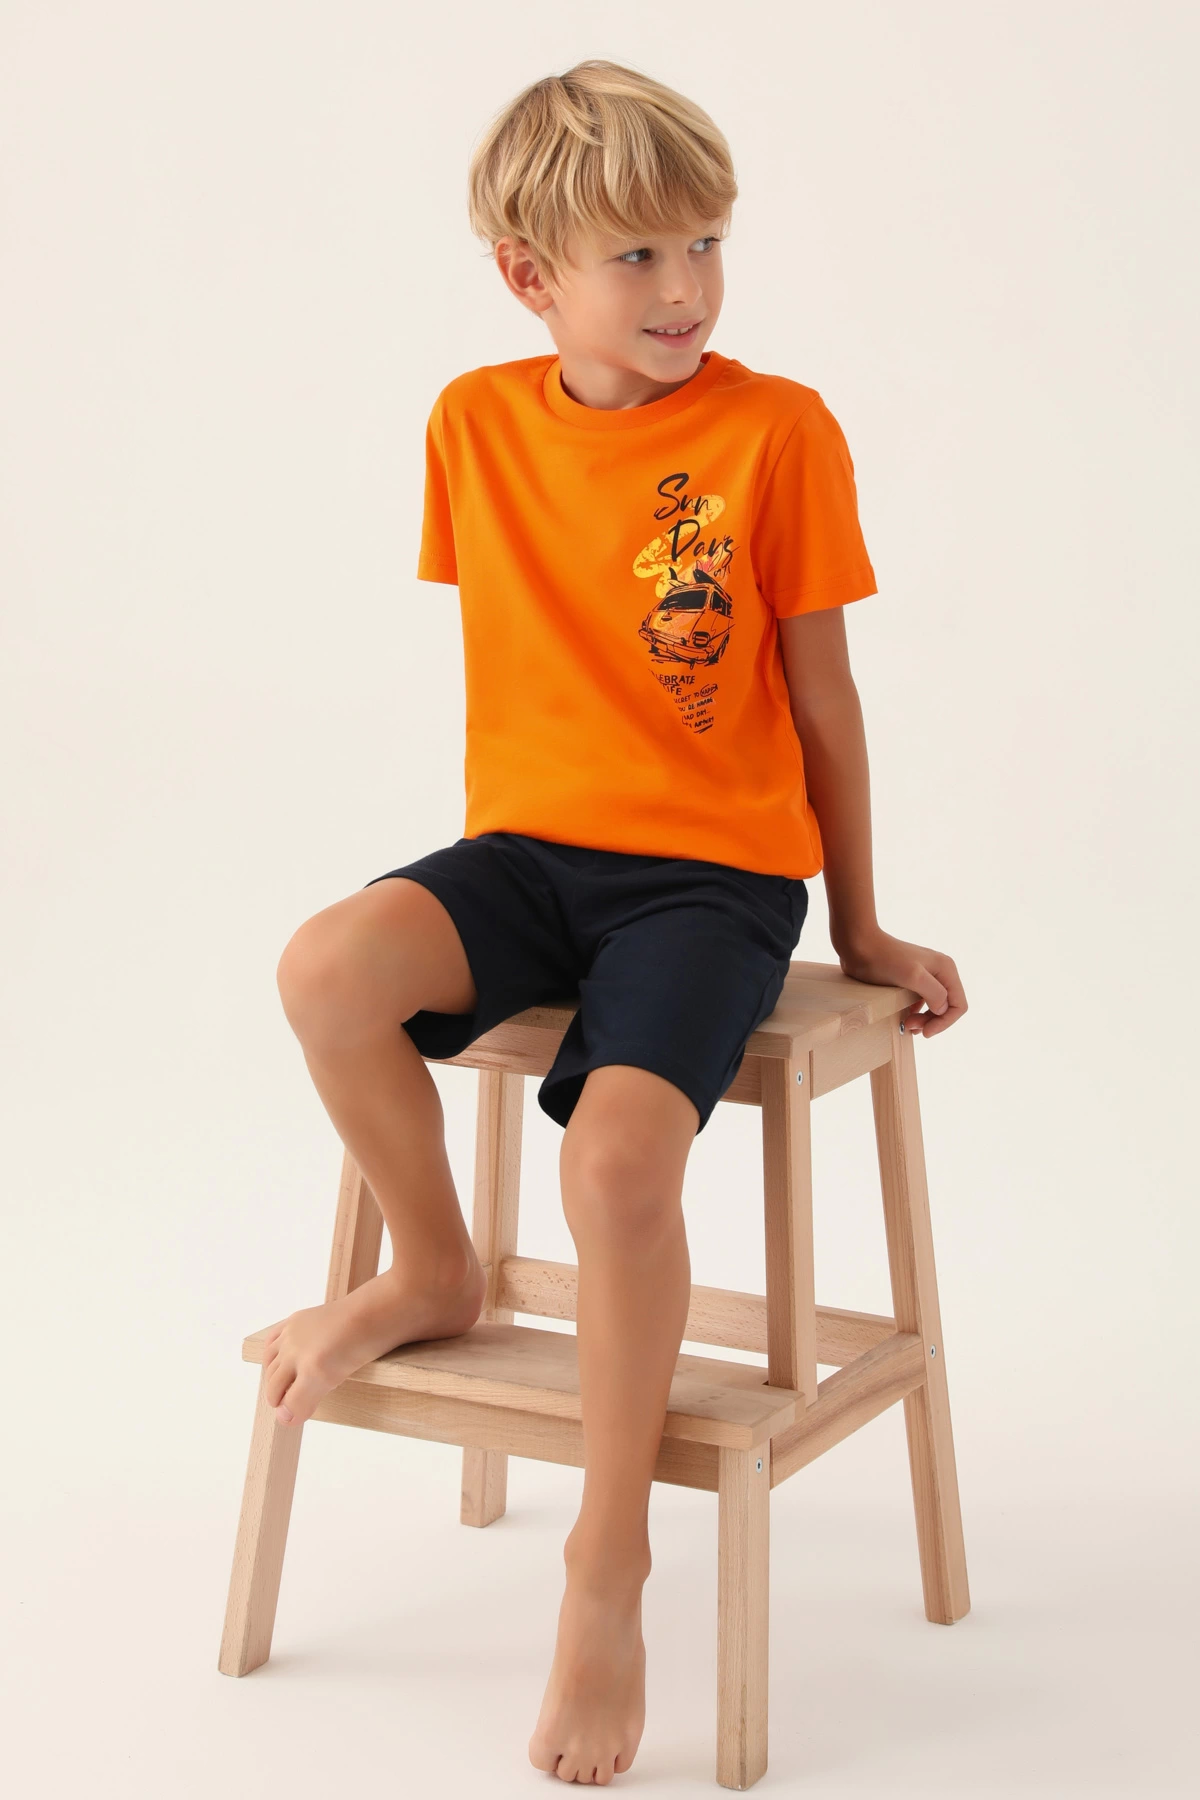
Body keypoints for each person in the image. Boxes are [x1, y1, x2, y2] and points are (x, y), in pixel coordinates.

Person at [263, 59, 967, 1786]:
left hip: (712, 876)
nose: (686, 289)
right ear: (530, 276)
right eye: (639, 256)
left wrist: (865, 923)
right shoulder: (472, 423)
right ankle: (433, 1264)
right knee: (327, 969)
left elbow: (824, 698)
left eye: (706, 243)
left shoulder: (779, 431)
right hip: (528, 855)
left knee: (618, 1162)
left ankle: (608, 1555)